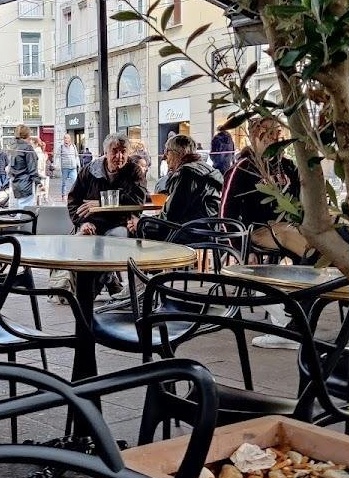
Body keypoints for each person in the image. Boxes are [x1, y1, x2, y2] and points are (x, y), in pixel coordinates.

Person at [220, 116, 303, 349]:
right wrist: (241, 248)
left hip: (291, 231)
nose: (275, 136)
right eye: (267, 132)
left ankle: (293, 320)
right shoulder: (242, 169)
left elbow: (300, 204)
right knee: (301, 241)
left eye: (277, 131)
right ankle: (293, 321)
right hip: (256, 231)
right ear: (255, 135)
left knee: (309, 247)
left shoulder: (289, 167)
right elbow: (226, 214)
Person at [68, 132, 147, 295]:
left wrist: (104, 203)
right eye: (115, 151)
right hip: (92, 224)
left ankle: (90, 293)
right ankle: (110, 281)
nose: (119, 156)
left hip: (120, 223)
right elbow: (73, 200)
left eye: (123, 151)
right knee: (79, 246)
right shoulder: (89, 171)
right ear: (105, 152)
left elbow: (137, 200)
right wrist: (82, 223)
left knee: (112, 243)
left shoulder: (134, 171)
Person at [130, 135, 223, 241]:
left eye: (167, 151)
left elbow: (171, 216)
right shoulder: (207, 169)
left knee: (138, 231)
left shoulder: (187, 173)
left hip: (190, 231)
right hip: (209, 229)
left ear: (177, 153)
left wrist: (142, 223)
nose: (165, 157)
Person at [9, 124, 43, 209]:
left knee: (19, 209)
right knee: (26, 210)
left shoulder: (13, 147)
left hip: (15, 182)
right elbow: (32, 169)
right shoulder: (27, 148)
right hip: (26, 183)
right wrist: (39, 182)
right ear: (27, 135)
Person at [58, 133, 80, 200]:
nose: (66, 139)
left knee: (75, 181)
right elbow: (58, 157)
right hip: (65, 167)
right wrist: (58, 166)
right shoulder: (61, 147)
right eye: (65, 138)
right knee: (64, 182)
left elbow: (76, 156)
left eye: (67, 138)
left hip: (73, 167)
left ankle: (75, 195)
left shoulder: (73, 146)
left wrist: (78, 164)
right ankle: (63, 195)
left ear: (70, 139)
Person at [30, 137, 51, 205]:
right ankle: (40, 203)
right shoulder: (39, 152)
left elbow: (39, 165)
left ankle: (38, 205)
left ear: (36, 144)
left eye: (32, 143)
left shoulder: (37, 152)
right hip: (40, 173)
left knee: (38, 191)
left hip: (38, 173)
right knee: (39, 191)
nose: (31, 145)